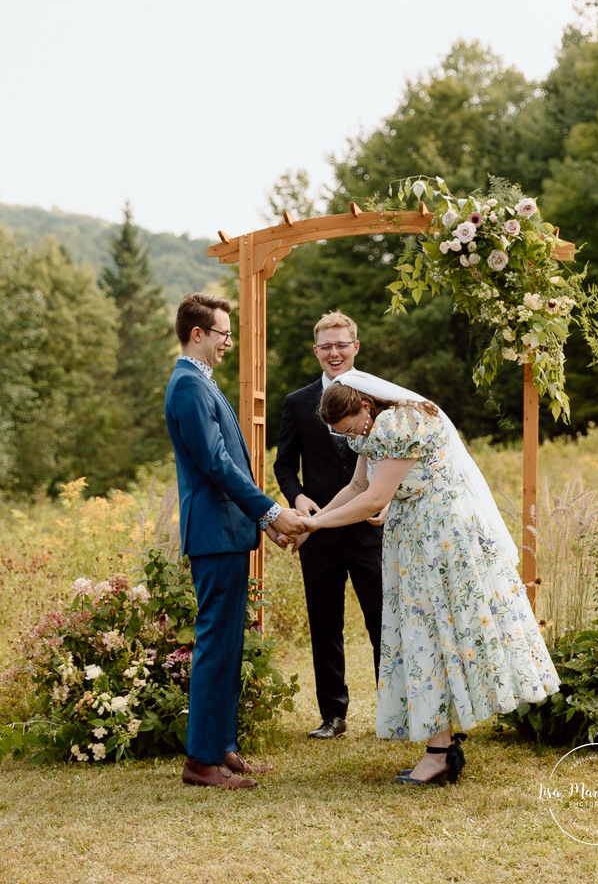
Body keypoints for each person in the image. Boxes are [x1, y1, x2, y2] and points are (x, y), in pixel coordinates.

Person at [291, 370, 560, 785]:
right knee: (425, 636)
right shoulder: (371, 428)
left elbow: (375, 500)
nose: (349, 439)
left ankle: (439, 753)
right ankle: (442, 747)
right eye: (341, 435)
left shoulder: (401, 424)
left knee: (431, 635)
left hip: (442, 540)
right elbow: (356, 485)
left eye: (349, 430)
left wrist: (318, 528)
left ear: (365, 405)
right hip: (418, 538)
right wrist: (315, 520)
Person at [165, 292, 305, 790]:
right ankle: (201, 762)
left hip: (228, 531)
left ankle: (222, 746)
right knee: (215, 645)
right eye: (224, 333)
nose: (229, 342)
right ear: (197, 333)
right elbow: (216, 463)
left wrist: (263, 522)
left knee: (228, 643)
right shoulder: (187, 386)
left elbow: (227, 464)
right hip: (213, 534)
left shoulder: (202, 383)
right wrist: (271, 511)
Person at [274, 312, 383, 739]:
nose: (334, 352)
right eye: (326, 346)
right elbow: (284, 465)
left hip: (370, 530)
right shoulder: (297, 403)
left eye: (342, 344)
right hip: (317, 529)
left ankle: (390, 710)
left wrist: (387, 501)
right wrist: (297, 498)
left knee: (383, 623)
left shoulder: (378, 394)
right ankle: (333, 715)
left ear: (356, 346)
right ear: (316, 351)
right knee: (325, 625)